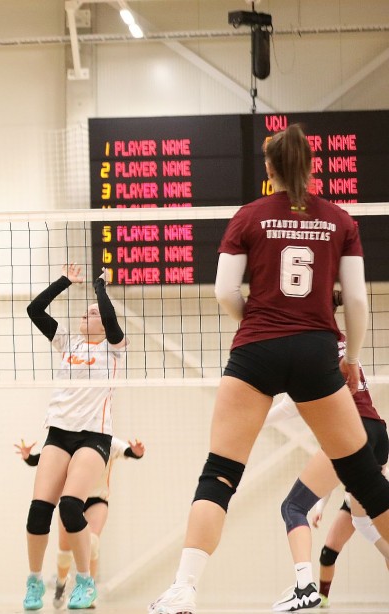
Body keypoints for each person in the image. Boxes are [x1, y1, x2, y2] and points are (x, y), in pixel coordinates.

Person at [148, 124, 389, 614]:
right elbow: (358, 301)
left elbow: (224, 291)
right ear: (312, 166)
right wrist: (350, 359)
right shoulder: (340, 221)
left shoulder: (249, 216)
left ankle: (184, 590)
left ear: (268, 168)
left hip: (256, 349)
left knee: (219, 473)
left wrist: (255, 324)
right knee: (364, 479)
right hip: (317, 351)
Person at [21, 263, 127, 611]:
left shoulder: (114, 348)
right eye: (86, 312)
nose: (87, 315)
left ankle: (84, 581)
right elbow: (35, 309)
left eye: (93, 313)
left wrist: (100, 289)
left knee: (70, 506)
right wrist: (65, 281)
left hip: (94, 436)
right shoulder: (68, 342)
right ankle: (34, 581)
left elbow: (110, 319)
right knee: (39, 512)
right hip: (59, 432)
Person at [267, 330, 389, 612]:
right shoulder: (341, 339)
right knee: (363, 522)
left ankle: (304, 588)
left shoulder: (303, 344)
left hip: (349, 432)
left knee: (293, 507)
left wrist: (251, 422)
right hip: (377, 434)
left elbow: (289, 407)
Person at [16, 435, 145, 606]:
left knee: (92, 543)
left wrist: (136, 452)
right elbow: (48, 459)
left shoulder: (107, 441)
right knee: (64, 551)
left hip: (96, 500)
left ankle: (88, 588)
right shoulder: (69, 437)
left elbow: (127, 451)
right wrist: (29, 457)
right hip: (70, 501)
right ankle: (61, 584)